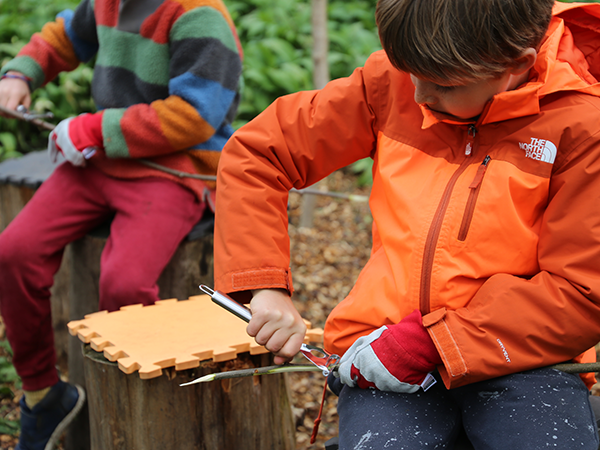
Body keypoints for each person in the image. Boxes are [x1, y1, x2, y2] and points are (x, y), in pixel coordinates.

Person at [213, 0, 600, 448]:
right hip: (381, 345)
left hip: (524, 356)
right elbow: (260, 154)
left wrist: (430, 343)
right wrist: (265, 288)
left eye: (439, 84)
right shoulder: (395, 81)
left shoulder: (582, 126)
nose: (417, 94)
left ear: (515, 65)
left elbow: (582, 290)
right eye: (408, 72)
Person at [0, 0, 242, 448]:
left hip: (172, 168)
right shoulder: (108, 3)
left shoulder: (198, 16)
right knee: (13, 252)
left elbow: (195, 114)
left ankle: (140, 416)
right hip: (99, 160)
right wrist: (19, 74)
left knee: (125, 286)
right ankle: (42, 394)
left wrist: (93, 128)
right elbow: (65, 36)